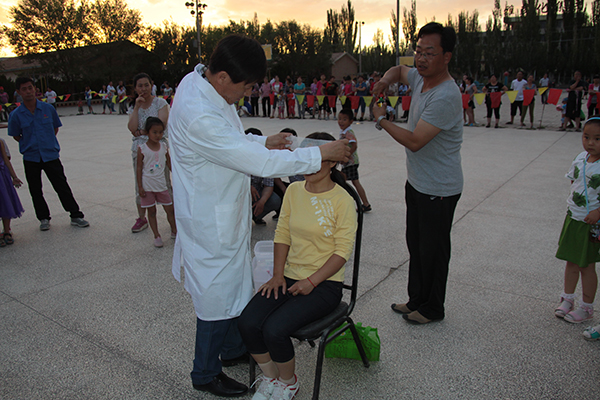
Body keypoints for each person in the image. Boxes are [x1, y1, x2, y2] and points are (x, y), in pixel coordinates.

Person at [167, 34, 351, 398]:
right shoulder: (198, 113)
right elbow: (256, 162)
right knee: (215, 296)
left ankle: (234, 348)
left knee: (234, 288)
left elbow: (232, 141)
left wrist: (262, 140)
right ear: (223, 77)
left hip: (222, 208)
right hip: (209, 220)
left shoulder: (201, 81)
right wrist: (320, 153)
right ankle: (205, 373)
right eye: (247, 86)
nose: (249, 93)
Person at [238, 132, 357, 400]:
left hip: (325, 284)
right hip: (289, 277)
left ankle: (288, 383)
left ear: (332, 162)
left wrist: (311, 281)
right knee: (247, 322)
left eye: (319, 159)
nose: (310, 166)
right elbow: (282, 234)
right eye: (307, 159)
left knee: (275, 329)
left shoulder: (342, 200)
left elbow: (341, 252)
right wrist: (277, 275)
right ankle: (271, 378)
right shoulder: (293, 190)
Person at [372, 22, 463, 324]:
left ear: (446, 56)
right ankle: (416, 300)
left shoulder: (446, 95)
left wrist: (382, 120)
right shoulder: (421, 79)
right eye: (419, 52)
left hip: (439, 188)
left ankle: (433, 307)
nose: (421, 59)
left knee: (433, 251)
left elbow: (415, 141)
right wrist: (384, 81)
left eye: (429, 53)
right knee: (417, 245)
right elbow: (399, 70)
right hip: (418, 182)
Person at [8, 77, 89, 231]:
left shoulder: (48, 109)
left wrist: (47, 142)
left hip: (50, 155)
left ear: (35, 89)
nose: (28, 91)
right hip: (31, 157)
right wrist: (30, 144)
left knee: (62, 186)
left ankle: (75, 215)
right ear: (18, 92)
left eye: (30, 88)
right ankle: (43, 218)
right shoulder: (16, 115)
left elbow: (55, 128)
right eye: (24, 89)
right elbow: (16, 135)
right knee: (35, 189)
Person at [554, 118, 600, 327]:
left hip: (591, 224)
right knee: (571, 261)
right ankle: (567, 298)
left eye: (597, 139)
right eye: (586, 137)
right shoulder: (580, 158)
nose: (590, 143)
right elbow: (574, 182)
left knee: (586, 265)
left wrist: (598, 211)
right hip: (573, 217)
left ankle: (587, 307)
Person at [127, 72, 170, 234]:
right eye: (140, 86)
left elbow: (160, 125)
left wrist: (141, 131)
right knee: (140, 184)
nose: (144, 89)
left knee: (164, 182)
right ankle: (141, 217)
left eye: (146, 85)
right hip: (140, 150)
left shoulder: (160, 103)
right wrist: (137, 107)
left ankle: (172, 216)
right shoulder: (134, 105)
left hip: (158, 149)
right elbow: (132, 128)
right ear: (135, 88)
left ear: (152, 85)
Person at [136, 117, 177, 248]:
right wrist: (140, 187)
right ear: (147, 132)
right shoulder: (142, 149)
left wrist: (178, 177)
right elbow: (138, 168)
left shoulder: (164, 147)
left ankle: (174, 231)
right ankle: (157, 236)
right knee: (152, 212)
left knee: (170, 210)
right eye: (154, 132)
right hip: (147, 187)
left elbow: (169, 163)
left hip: (162, 186)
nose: (158, 135)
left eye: (160, 132)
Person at [338, 108, 372, 212]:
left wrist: (346, 157)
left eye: (344, 119)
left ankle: (346, 204)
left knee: (343, 181)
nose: (341, 121)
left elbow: (354, 145)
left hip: (350, 163)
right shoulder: (344, 132)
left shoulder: (349, 132)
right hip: (349, 163)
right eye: (339, 119)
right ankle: (365, 203)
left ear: (351, 121)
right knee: (350, 181)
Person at [0, 138, 24, 247]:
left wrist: (14, 176)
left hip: (2, 176)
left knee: (5, 201)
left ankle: (7, 231)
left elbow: (6, 160)